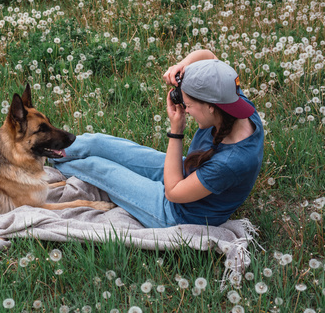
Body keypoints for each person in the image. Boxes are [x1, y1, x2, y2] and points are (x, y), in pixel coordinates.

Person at [51, 49, 264, 228]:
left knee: (97, 167)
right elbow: (208, 56)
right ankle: (44, 151)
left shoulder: (230, 163)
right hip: (187, 171)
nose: (186, 111)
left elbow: (173, 192)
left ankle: (46, 167)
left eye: (188, 106)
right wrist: (183, 65)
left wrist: (176, 131)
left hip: (178, 213)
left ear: (210, 106)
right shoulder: (233, 103)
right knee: (97, 142)